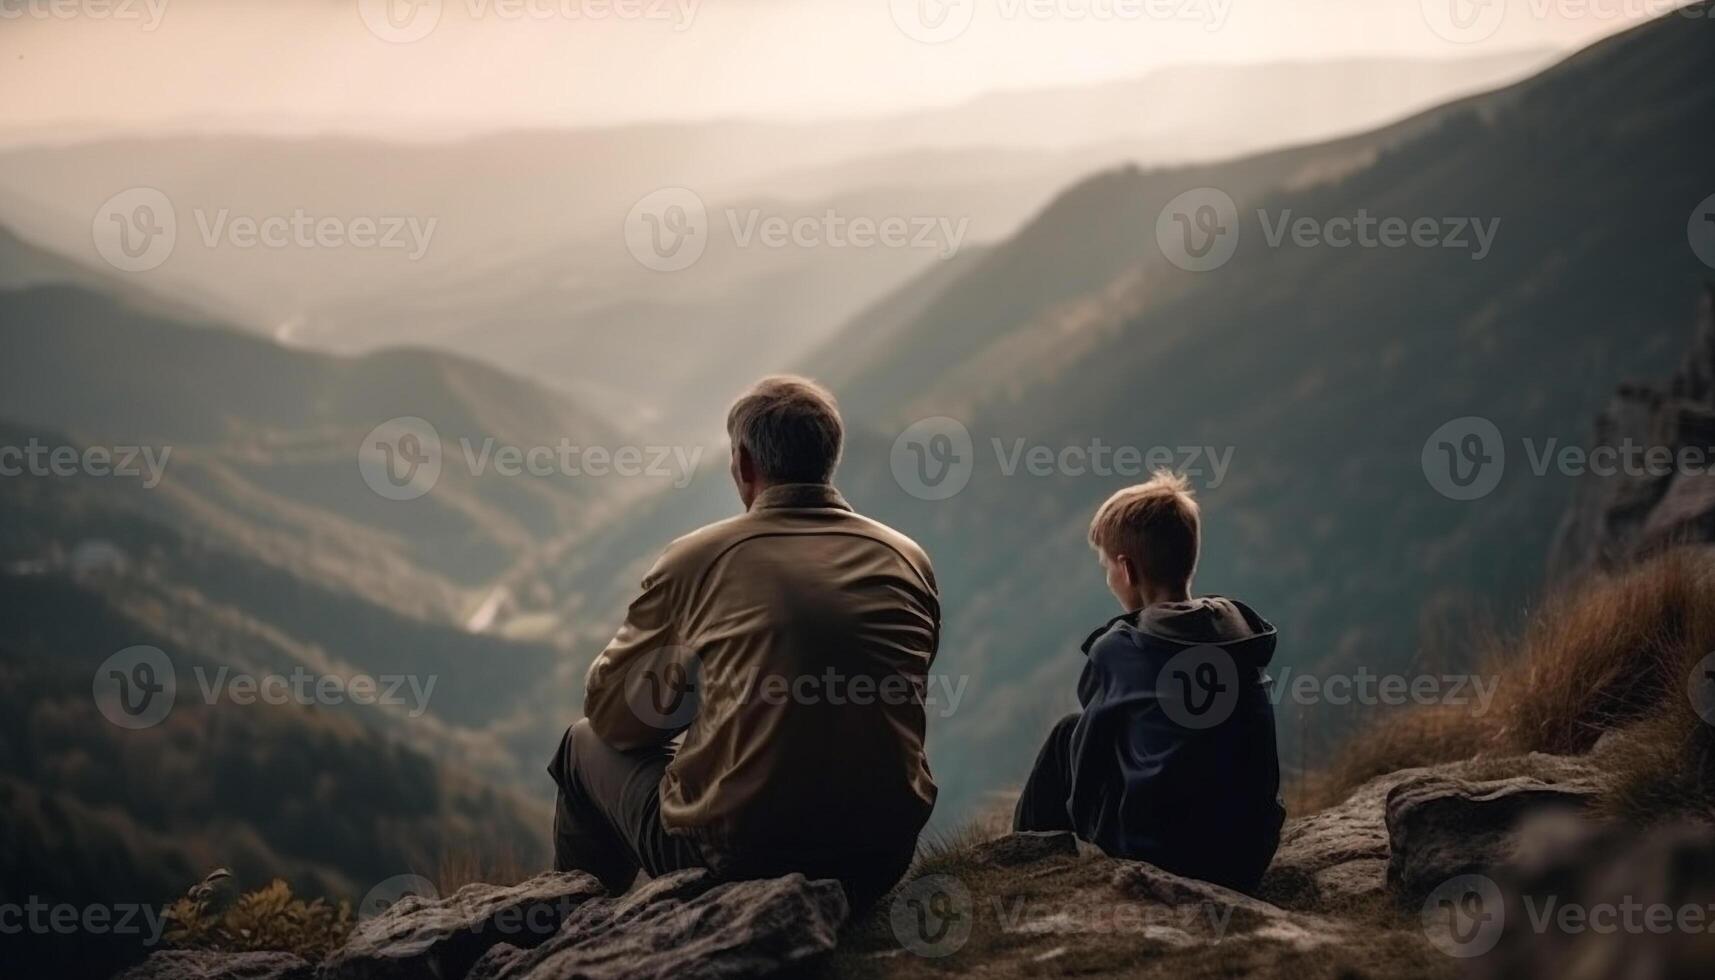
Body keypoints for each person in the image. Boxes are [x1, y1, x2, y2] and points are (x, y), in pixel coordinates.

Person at [549, 375, 940, 909]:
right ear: (830, 457)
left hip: (741, 863)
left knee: (580, 743)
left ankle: (572, 928)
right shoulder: (906, 558)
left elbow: (616, 716)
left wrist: (699, 693)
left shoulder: (698, 559)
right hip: (880, 859)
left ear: (746, 464)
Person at [1013, 469, 1285, 892]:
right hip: (1248, 853)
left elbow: (1088, 756)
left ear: (1127, 569)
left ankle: (1019, 866)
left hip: (1163, 854)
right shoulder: (1241, 627)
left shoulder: (1123, 648)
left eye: (1107, 567)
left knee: (1067, 732)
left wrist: (1087, 825)